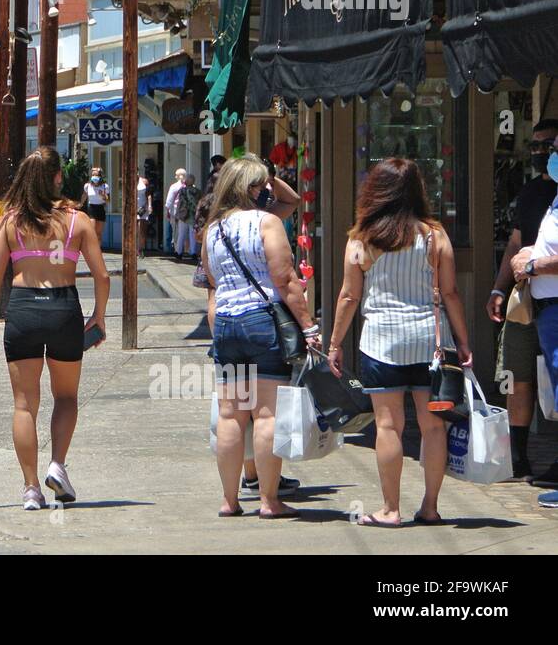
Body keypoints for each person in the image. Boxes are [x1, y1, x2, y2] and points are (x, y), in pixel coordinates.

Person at [329, 158, 473, 526]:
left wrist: (335, 344)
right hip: (431, 344)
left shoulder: (362, 239)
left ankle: (390, 509)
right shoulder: (433, 235)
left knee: (388, 426)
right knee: (433, 427)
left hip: (381, 343)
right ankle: (430, 506)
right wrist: (464, 341)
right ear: (417, 191)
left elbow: (349, 296)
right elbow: (452, 292)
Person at [0, 146, 111, 510]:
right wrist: (98, 316)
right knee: (66, 397)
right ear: (56, 178)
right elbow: (102, 275)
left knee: (24, 405)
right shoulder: (77, 221)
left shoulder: (10, 221)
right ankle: (57, 465)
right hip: (63, 309)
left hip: (22, 312)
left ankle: (31, 489)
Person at [202, 156, 319, 519]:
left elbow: (213, 282)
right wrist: (310, 328)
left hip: (227, 323)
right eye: (263, 185)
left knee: (231, 415)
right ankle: (269, 500)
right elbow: (285, 281)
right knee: (267, 415)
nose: (268, 190)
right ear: (251, 189)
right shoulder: (268, 223)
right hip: (262, 321)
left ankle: (230, 500)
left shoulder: (212, 229)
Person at [487, 118, 558, 485]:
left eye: (548, 145)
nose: (542, 153)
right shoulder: (531, 193)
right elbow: (515, 243)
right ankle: (518, 456)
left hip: (554, 297)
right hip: (527, 298)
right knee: (517, 374)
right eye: (536, 146)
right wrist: (499, 288)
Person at [510, 132, 558, 504]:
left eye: (554, 149)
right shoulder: (549, 197)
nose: (548, 155)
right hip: (543, 308)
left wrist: (533, 263)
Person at [82, 166, 110, 242]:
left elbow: (108, 200)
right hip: (92, 208)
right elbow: (84, 196)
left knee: (98, 233)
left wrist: (103, 195)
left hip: (100, 208)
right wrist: (80, 204)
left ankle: (98, 250)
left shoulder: (105, 186)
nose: (94, 177)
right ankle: (91, 249)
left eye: (96, 175)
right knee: (92, 231)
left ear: (100, 176)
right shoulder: (87, 186)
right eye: (93, 175)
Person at [135, 171, 151, 257]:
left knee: (141, 229)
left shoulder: (144, 181)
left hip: (142, 208)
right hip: (132, 208)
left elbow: (148, 195)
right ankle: (134, 249)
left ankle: (140, 249)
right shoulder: (129, 181)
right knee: (134, 230)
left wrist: (149, 206)